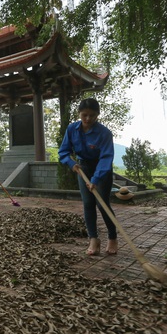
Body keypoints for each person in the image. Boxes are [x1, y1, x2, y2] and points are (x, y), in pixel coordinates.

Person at [58, 97, 118, 256]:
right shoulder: (72, 129)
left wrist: (96, 179)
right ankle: (94, 239)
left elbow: (106, 157)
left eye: (92, 115)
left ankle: (112, 237)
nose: (88, 119)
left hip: (101, 168)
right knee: (88, 203)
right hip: (82, 167)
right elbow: (63, 151)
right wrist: (72, 164)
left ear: (97, 115)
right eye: (84, 115)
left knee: (102, 203)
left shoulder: (104, 133)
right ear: (79, 113)